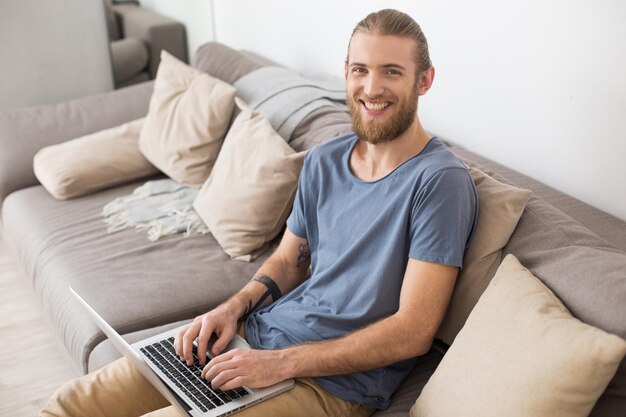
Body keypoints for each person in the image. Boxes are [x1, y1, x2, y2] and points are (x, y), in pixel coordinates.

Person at [42, 8, 478, 417]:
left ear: (424, 81)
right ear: (345, 73)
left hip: (330, 384)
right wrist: (230, 310)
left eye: (392, 72)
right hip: (253, 338)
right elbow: (289, 261)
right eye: (360, 70)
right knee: (72, 403)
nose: (371, 88)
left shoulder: (439, 182)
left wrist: (280, 364)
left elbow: (413, 331)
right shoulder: (325, 160)